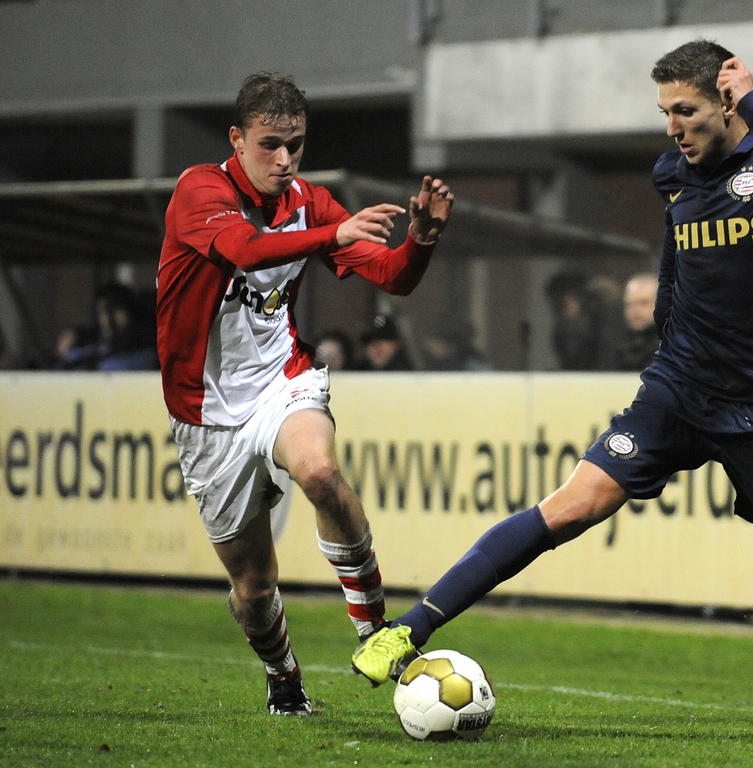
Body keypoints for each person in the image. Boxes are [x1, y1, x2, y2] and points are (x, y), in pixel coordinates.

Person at [352, 41, 753, 739]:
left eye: (685, 110)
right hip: (678, 389)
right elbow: (674, 263)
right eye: (664, 112)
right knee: (570, 506)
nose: (672, 128)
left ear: (725, 102)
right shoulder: (672, 175)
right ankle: (407, 629)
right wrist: (665, 336)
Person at [156, 72, 454, 716]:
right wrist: (335, 235)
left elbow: (390, 278)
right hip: (206, 414)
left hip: (280, 381)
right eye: (270, 144)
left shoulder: (308, 201)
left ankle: (379, 635)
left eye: (296, 145)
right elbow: (244, 250)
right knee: (253, 586)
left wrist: (420, 241)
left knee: (320, 471)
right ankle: (284, 678)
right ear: (237, 140)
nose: (285, 160)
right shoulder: (199, 190)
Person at [608, 272, 661, 371]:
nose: (635, 310)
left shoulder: (676, 348)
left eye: (643, 303)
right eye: (629, 304)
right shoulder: (617, 347)